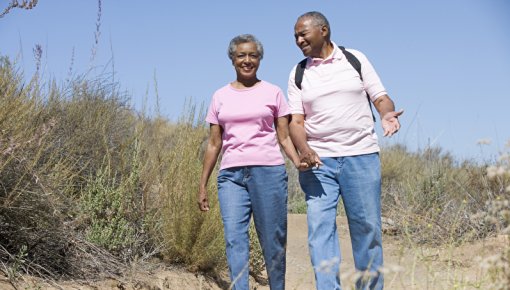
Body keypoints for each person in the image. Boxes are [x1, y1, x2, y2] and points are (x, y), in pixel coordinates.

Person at [287, 11, 403, 290]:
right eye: (295, 37)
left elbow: (380, 96)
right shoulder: (298, 73)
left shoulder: (355, 59)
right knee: (320, 231)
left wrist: (387, 114)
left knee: (367, 230)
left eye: (303, 34)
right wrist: (303, 149)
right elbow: (296, 121)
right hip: (319, 163)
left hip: (361, 157)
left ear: (323, 30)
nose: (299, 40)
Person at [198, 34, 304, 290]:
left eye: (253, 55)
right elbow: (214, 143)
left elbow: (284, 136)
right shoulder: (219, 96)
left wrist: (297, 161)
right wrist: (203, 185)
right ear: (232, 59)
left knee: (272, 239)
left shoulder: (273, 92)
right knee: (234, 238)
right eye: (241, 55)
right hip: (231, 176)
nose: (247, 60)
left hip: (268, 173)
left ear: (260, 59)